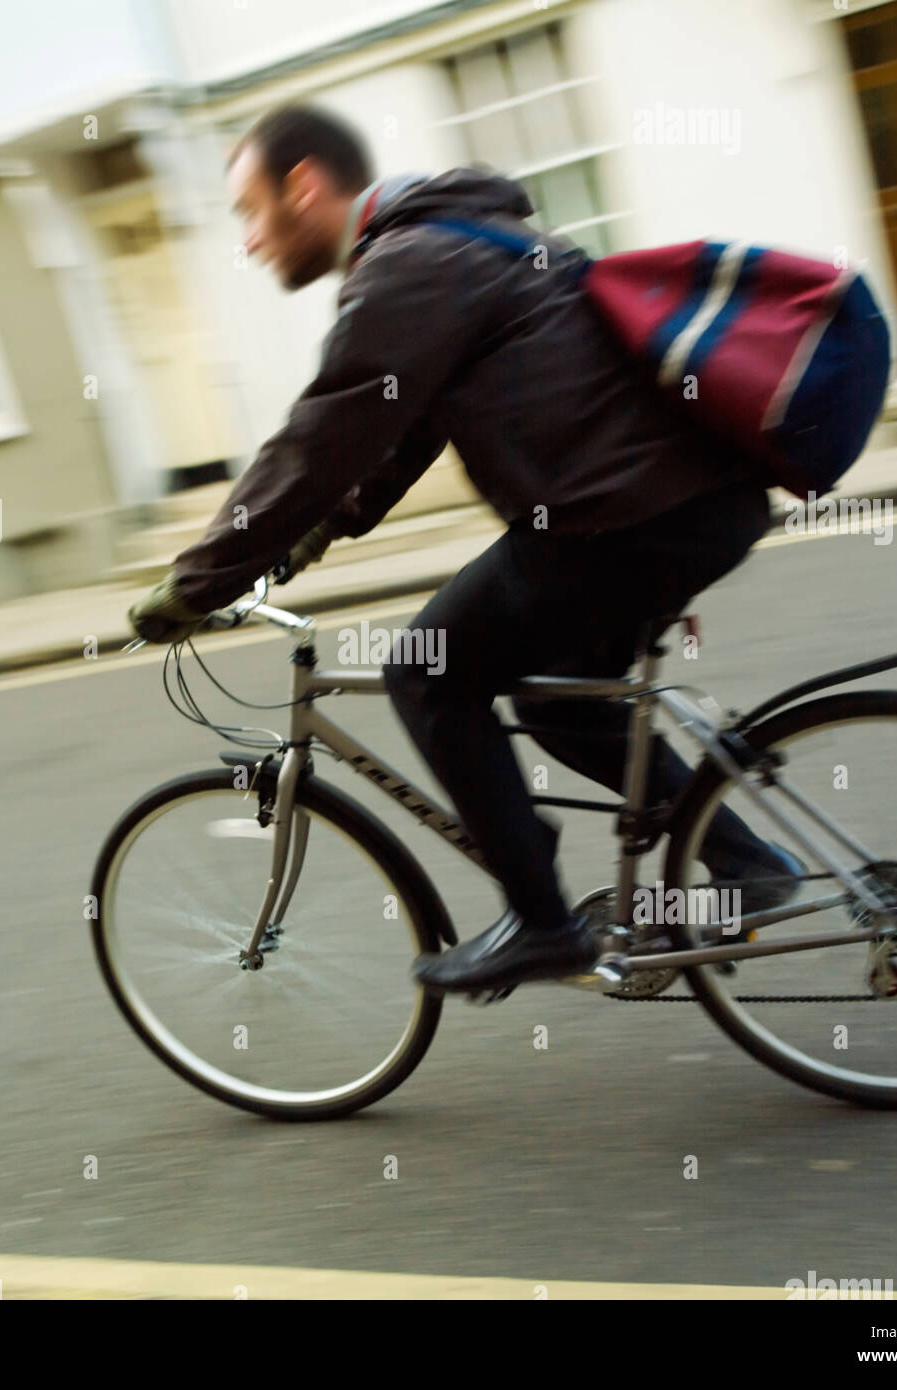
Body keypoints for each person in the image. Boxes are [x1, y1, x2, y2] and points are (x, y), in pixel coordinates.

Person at [128, 104, 802, 998]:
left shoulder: (410, 266)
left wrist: (194, 584)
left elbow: (323, 435)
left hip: (621, 517)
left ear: (303, 187)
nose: (249, 243)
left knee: (425, 670)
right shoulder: (464, 237)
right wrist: (306, 540)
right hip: (689, 505)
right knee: (560, 699)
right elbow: (396, 436)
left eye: (249, 212)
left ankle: (543, 922)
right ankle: (746, 860)